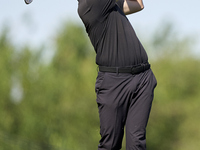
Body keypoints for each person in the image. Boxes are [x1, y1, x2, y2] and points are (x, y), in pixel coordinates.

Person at [78, 0, 157, 149]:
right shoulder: (90, 5)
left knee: (137, 143)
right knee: (110, 145)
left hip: (143, 78)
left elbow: (138, 4)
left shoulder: (108, 5)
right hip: (113, 84)